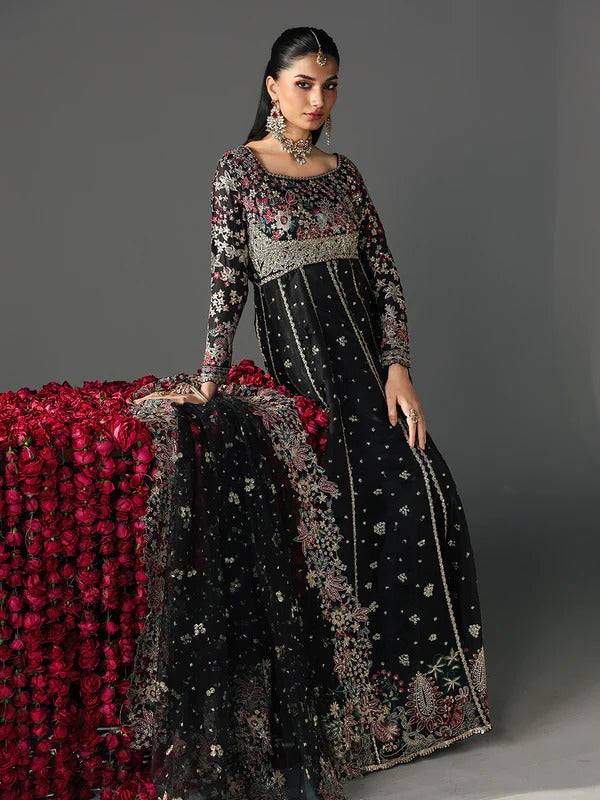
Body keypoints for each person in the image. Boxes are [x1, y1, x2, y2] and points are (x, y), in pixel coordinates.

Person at [134, 25, 492, 800]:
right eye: (303, 83)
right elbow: (228, 281)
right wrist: (207, 380)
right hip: (305, 383)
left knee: (425, 495)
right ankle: (348, 718)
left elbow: (386, 277)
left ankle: (418, 710)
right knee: (333, 521)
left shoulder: (345, 174)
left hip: (367, 374)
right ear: (271, 87)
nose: (318, 99)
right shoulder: (239, 170)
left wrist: (399, 369)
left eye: (330, 85)